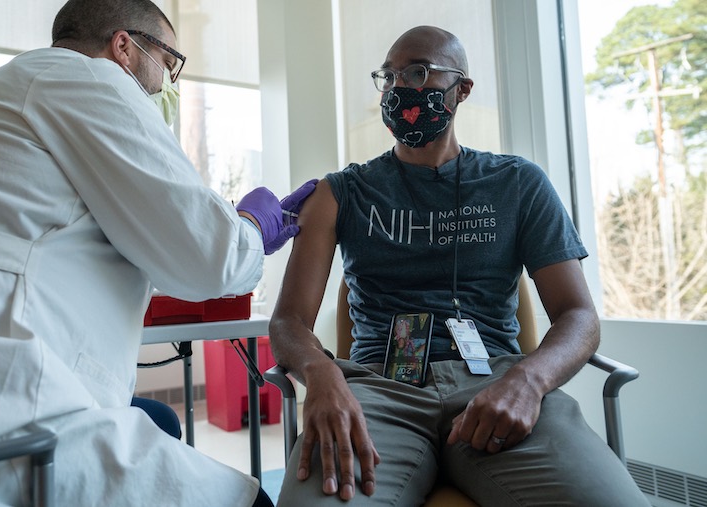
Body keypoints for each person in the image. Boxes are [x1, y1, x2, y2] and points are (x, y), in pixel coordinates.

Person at [0, 0, 316, 505]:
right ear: (124, 47)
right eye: (169, 64)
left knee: (159, 421)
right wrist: (250, 226)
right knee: (247, 501)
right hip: (5, 400)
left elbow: (80, 235)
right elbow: (211, 258)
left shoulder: (4, 92)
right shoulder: (86, 81)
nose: (169, 85)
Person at [268, 26, 649, 506]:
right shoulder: (340, 193)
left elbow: (580, 316)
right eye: (389, 76)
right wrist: (322, 375)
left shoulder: (518, 184)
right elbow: (288, 321)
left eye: (419, 72)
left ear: (462, 89)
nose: (400, 87)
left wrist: (529, 382)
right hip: (379, 396)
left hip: (497, 385)